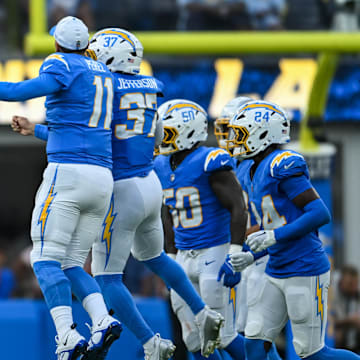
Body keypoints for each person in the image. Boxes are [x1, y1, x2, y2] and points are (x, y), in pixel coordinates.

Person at [14, 28, 225, 359]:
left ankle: (148, 341)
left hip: (119, 187)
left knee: (106, 276)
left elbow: (90, 134)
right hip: (149, 183)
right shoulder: (149, 88)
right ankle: (203, 312)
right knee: (155, 258)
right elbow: (156, 137)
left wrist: (39, 129)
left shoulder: (102, 86)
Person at [4, 16, 122, 360]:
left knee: (43, 256)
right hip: (102, 177)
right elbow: (81, 128)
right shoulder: (103, 72)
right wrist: (36, 130)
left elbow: (17, 91)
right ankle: (101, 319)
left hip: (68, 174)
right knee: (71, 262)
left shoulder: (60, 63)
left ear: (57, 43)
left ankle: (67, 336)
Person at [226, 99, 360, 360]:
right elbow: (274, 225)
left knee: (311, 353)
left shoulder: (282, 165)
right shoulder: (247, 168)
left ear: (263, 134)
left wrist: (272, 236)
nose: (235, 140)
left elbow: (320, 214)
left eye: (241, 133)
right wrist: (252, 255)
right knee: (254, 341)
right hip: (275, 267)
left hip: (304, 267)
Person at [154, 99, 249, 360]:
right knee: (193, 338)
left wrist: (234, 252)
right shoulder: (161, 165)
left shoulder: (209, 160)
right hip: (183, 254)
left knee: (223, 335)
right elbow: (167, 213)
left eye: (167, 132)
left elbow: (238, 207)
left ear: (187, 131)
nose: (161, 138)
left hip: (214, 251)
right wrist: (170, 255)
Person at [214, 97, 282, 360]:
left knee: (249, 334)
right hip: (246, 255)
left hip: (258, 256)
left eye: (234, 131)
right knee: (251, 335)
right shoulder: (237, 165)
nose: (228, 137)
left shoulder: (258, 166)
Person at [333, 265, 360, 353]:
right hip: (334, 335)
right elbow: (329, 321)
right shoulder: (330, 292)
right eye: (350, 284)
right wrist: (349, 320)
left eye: (356, 284)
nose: (354, 288)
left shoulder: (355, 292)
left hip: (352, 339)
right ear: (341, 281)